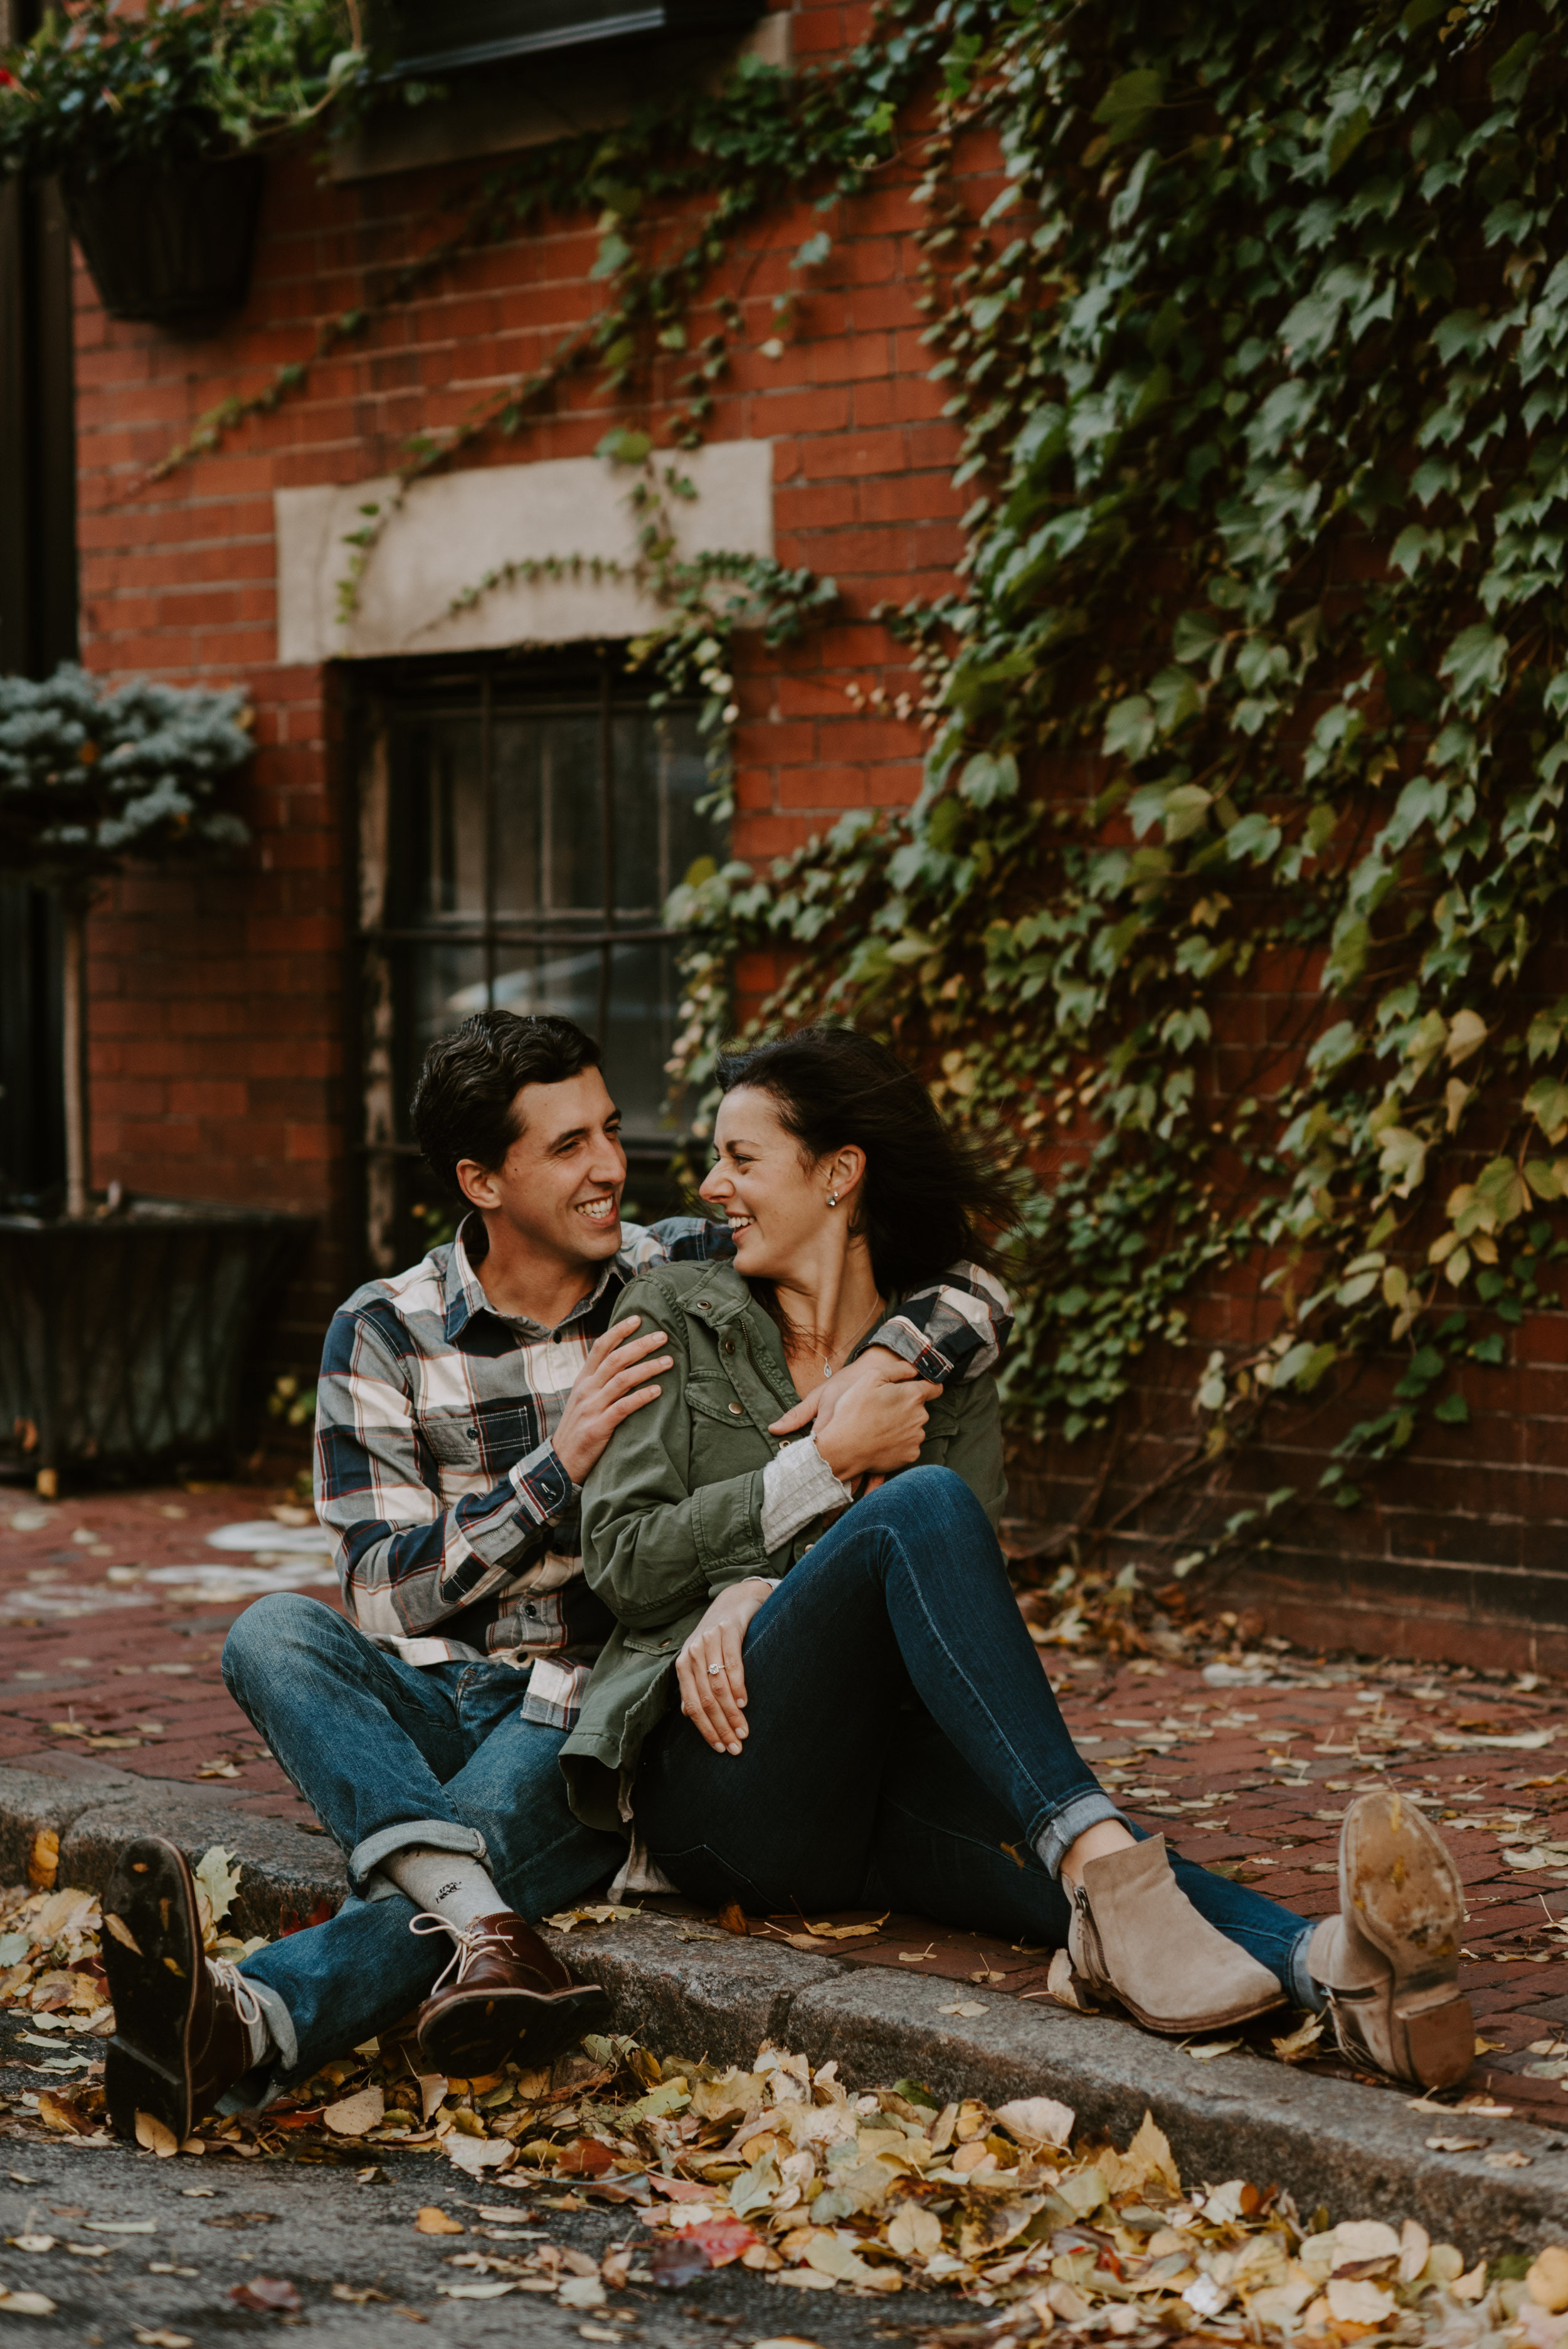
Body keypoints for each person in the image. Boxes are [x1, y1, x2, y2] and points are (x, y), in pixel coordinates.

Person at [98, 1010, 1012, 2145]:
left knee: (500, 1794)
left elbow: (969, 1285)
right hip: (432, 1695)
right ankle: (484, 1920)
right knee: (270, 1633)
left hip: (576, 1704)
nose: (614, 1167)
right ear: (482, 1179)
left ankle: (254, 2017)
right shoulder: (384, 1330)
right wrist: (556, 1465)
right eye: (570, 1146)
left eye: (611, 1131)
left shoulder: (676, 1261)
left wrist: (884, 1358)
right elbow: (384, 1593)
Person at [562, 1024, 1474, 2092]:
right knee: (925, 1506)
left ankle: (1338, 1969)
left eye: (742, 1158)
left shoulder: (939, 1356)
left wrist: (770, 1579)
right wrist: (782, 1533)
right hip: (724, 1791)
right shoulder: (674, 1310)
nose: (714, 1184)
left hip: (885, 1783)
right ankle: (1114, 1881)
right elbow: (621, 1560)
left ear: (840, 1174)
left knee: (1071, 1854)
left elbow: (941, 1603)